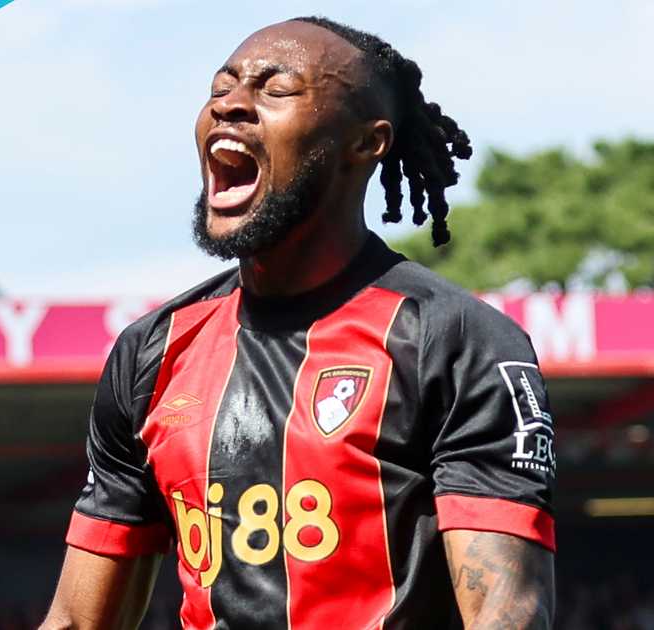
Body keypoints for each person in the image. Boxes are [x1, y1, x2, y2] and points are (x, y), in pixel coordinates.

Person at [41, 16, 556, 630]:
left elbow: (507, 614)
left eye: (275, 90)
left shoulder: (455, 341)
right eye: (219, 88)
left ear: (367, 143)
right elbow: (78, 620)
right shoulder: (152, 353)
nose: (231, 105)